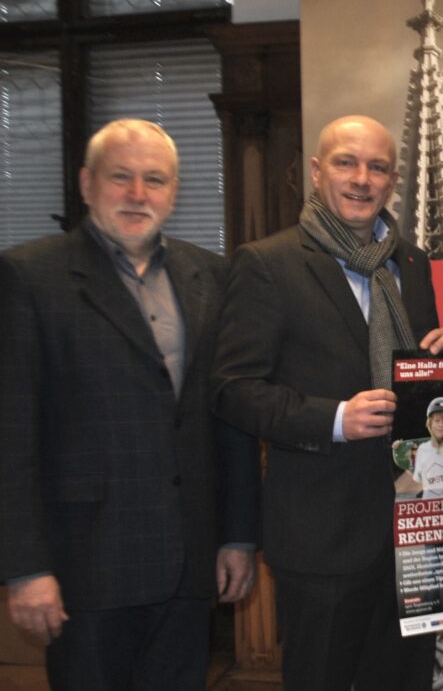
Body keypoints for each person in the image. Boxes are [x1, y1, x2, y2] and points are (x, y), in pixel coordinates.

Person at [0, 118, 259, 689]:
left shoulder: (211, 275)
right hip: (85, 566)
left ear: (174, 191)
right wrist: (25, 567)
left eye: (155, 179)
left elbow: (229, 415)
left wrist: (238, 535)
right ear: (86, 183)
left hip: (188, 562)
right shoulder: (30, 276)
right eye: (121, 177)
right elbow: (11, 435)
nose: (138, 194)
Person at [212, 114, 443, 690]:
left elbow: (417, 389)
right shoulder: (268, 263)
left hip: (413, 534)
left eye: (377, 167)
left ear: (393, 180)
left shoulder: (411, 264)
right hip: (321, 539)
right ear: (318, 172)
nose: (361, 179)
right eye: (346, 163)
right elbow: (233, 390)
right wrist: (335, 419)